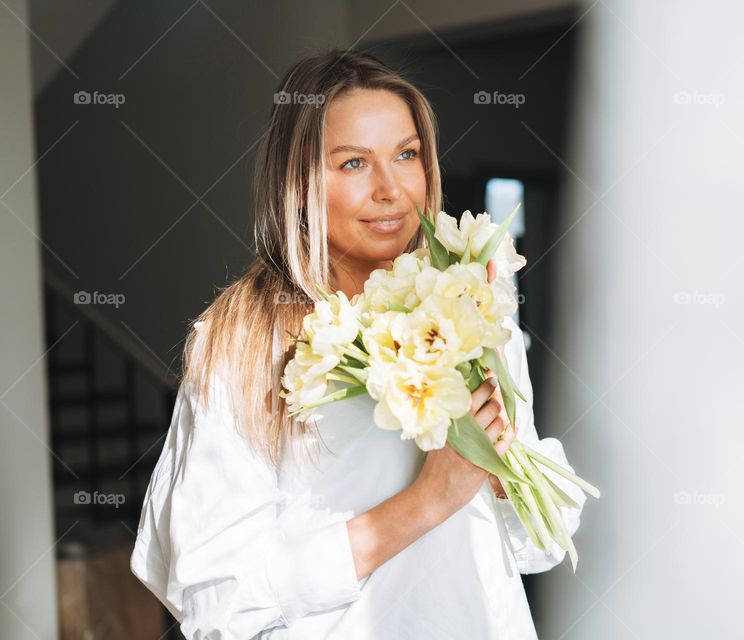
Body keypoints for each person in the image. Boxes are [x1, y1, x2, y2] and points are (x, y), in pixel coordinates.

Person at [130, 49, 586, 639]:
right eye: (352, 164)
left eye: (407, 154)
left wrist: (501, 470)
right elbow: (218, 595)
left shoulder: (470, 310)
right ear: (297, 186)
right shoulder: (244, 342)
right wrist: (426, 501)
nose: (391, 189)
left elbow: (538, 546)